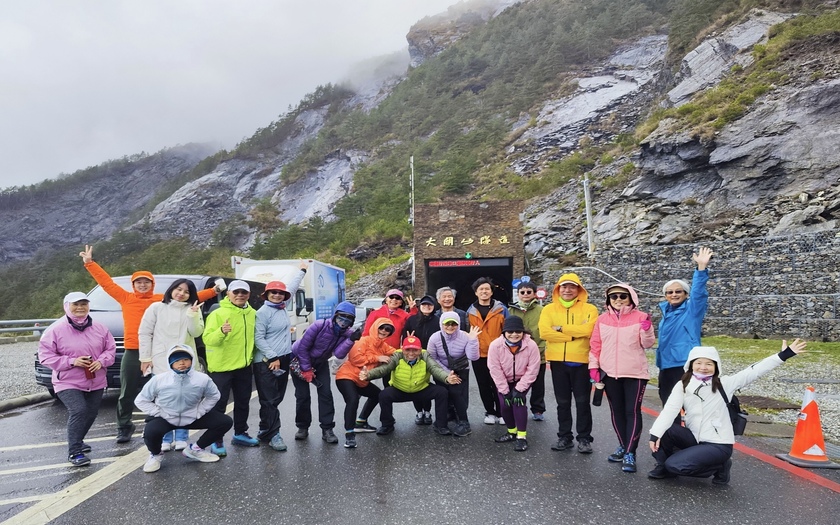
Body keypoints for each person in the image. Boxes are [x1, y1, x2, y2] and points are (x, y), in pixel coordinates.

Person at [79, 244, 219, 443]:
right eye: (138, 282)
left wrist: (213, 290)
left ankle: (155, 425)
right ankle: (124, 426)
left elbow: (190, 297)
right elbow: (106, 283)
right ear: (133, 284)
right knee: (126, 391)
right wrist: (90, 263)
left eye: (146, 282)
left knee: (159, 392)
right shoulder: (125, 297)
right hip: (132, 351)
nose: (142, 285)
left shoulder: (160, 300)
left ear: (152, 284)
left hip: (158, 353)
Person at [648, 339, 807, 484]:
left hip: (718, 443)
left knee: (675, 465)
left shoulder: (726, 383)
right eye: (699, 363)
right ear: (691, 364)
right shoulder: (683, 385)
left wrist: (784, 355)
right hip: (694, 437)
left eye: (709, 364)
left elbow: (753, 371)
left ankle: (720, 466)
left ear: (716, 366)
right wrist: (655, 434)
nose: (703, 367)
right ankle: (663, 466)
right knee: (665, 431)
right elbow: (670, 410)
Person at [38, 292, 116, 466]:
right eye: (76, 304)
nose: (80, 307)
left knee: (91, 412)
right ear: (67, 306)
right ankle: (74, 452)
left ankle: (78, 440)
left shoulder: (100, 328)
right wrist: (72, 361)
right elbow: (45, 356)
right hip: (67, 380)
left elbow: (110, 350)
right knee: (79, 410)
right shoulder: (55, 330)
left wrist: (101, 361)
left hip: (95, 379)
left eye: (83, 304)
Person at [588, 284, 656, 473]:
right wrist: (593, 367)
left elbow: (648, 343)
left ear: (631, 298)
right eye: (613, 296)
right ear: (608, 300)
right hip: (609, 374)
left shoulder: (641, 317)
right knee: (616, 411)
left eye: (623, 296)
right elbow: (595, 346)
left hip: (635, 374)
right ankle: (623, 445)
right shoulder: (602, 320)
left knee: (632, 412)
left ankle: (630, 452)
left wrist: (648, 329)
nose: (618, 299)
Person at [135, 344, 233, 473]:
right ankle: (155, 455)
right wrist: (158, 412)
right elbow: (141, 400)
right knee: (151, 431)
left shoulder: (202, 379)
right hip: (167, 417)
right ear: (170, 363)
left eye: (186, 359)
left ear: (192, 361)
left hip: (192, 416)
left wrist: (200, 411)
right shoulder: (159, 380)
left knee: (225, 421)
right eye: (176, 360)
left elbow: (214, 395)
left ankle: (196, 449)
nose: (182, 363)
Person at [138, 278, 205, 452]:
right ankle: (165, 437)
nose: (181, 294)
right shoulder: (157, 308)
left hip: (185, 361)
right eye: (178, 289)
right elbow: (145, 333)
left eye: (186, 291)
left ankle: (182, 436)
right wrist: (145, 357)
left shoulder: (194, 310)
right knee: (163, 400)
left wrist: (192, 315)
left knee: (186, 399)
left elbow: (197, 332)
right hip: (161, 360)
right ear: (171, 290)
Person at [539, 273, 598, 453]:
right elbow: (545, 333)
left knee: (582, 402)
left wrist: (563, 329)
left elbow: (590, 330)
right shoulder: (548, 309)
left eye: (572, 287)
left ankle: (584, 438)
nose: (568, 290)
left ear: (579, 290)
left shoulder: (590, 309)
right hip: (558, 362)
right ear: (558, 289)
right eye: (564, 287)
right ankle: (564, 436)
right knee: (562, 402)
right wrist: (575, 335)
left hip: (581, 362)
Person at [253, 263, 307, 452]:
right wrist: (272, 357)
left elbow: (291, 287)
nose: (277, 295)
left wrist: (302, 271)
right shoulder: (263, 313)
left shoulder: (283, 306)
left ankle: (264, 429)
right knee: (269, 399)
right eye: (273, 292)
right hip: (267, 361)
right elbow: (258, 338)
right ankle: (274, 434)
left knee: (275, 398)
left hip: (283, 358)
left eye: (280, 293)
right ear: (266, 295)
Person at [360, 336, 461, 436]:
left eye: (415, 350)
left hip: (421, 389)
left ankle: (441, 425)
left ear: (420, 350)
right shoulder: (397, 356)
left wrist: (447, 378)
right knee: (383, 395)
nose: (411, 353)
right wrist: (368, 375)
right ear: (402, 348)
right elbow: (384, 369)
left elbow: (435, 369)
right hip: (400, 390)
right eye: (407, 350)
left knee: (442, 392)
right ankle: (387, 425)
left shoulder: (425, 356)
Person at [202, 280, 259, 456]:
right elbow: (207, 339)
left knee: (243, 402)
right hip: (221, 368)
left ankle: (240, 433)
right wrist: (221, 331)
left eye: (244, 292)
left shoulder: (253, 314)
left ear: (248, 295)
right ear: (229, 294)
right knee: (219, 405)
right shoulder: (218, 314)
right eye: (236, 292)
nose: (240, 295)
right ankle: (216, 439)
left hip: (243, 366)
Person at [291, 301, 356, 444]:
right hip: (299, 359)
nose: (344, 321)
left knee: (326, 394)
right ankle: (302, 427)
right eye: (341, 316)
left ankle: (327, 429)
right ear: (335, 315)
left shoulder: (347, 334)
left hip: (320, 363)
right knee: (303, 396)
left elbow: (338, 354)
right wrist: (306, 369)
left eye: (348, 318)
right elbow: (302, 348)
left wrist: (351, 340)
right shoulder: (319, 325)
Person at [656, 246, 713, 406]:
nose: (674, 294)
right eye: (669, 292)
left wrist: (701, 269)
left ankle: (692, 432)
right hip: (665, 366)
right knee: (668, 406)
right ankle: (670, 432)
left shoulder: (692, 311)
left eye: (678, 291)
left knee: (689, 407)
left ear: (686, 294)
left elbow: (699, 293)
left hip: (683, 365)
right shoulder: (666, 312)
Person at [335, 318, 397, 448]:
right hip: (347, 376)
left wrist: (412, 348)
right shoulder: (364, 340)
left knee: (378, 395)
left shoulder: (383, 345)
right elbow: (355, 359)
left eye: (388, 329)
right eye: (382, 327)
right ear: (375, 327)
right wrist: (377, 358)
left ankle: (361, 421)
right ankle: (350, 435)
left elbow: (397, 353)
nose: (384, 331)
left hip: (362, 380)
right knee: (352, 400)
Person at [488, 316, 541, 452]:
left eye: (518, 331)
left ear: (523, 332)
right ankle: (511, 432)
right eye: (510, 332)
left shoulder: (531, 345)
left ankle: (521, 437)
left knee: (518, 402)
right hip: (503, 379)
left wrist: (520, 389)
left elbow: (533, 368)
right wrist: (505, 390)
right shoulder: (495, 345)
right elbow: (495, 368)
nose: (514, 334)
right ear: (504, 333)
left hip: (522, 379)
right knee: (505, 405)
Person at [426, 312, 481, 436]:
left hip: (461, 369)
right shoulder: (435, 337)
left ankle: (463, 422)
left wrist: (473, 340)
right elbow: (432, 358)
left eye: (454, 324)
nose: (450, 326)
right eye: (447, 323)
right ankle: (444, 417)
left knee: (457, 393)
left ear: (458, 324)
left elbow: (473, 357)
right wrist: (447, 373)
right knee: (442, 393)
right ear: (441, 324)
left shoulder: (466, 336)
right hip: (440, 369)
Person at [466, 277, 509, 425]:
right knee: (483, 385)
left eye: (487, 289)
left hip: (498, 354)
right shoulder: (470, 312)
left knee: (499, 384)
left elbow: (508, 331)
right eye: (481, 289)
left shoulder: (501, 309)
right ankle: (490, 412)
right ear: (476, 292)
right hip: (479, 354)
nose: (484, 291)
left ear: (491, 292)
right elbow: (467, 333)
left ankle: (502, 412)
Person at [509, 281, 547, 421]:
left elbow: (545, 330)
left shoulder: (542, 310)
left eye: (529, 292)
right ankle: (518, 406)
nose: (525, 294)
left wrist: (542, 348)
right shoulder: (511, 310)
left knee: (538, 383)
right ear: (518, 294)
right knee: (518, 381)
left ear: (534, 293)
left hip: (538, 350)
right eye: (522, 292)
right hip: (517, 353)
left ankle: (538, 409)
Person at [402, 294, 441, 425]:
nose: (426, 307)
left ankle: (428, 411)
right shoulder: (412, 320)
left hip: (431, 357)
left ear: (434, 306)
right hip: (414, 356)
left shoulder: (438, 321)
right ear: (420, 307)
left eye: (429, 305)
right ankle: (419, 411)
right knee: (416, 383)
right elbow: (404, 337)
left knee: (427, 385)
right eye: (424, 304)